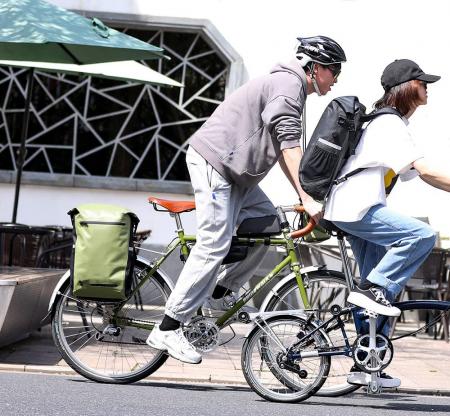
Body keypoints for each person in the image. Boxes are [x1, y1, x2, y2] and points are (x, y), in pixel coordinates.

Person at [146, 35, 347, 364]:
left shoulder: (292, 86)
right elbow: (290, 146)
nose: (336, 78)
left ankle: (218, 294)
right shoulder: (288, 84)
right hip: (217, 163)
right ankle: (168, 327)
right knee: (214, 242)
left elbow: (285, 151)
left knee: (267, 227)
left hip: (238, 174)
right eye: (334, 70)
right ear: (316, 67)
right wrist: (308, 199)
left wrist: (305, 194)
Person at [324, 58, 450, 388]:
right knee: (421, 236)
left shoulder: (390, 125)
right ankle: (370, 289)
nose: (427, 89)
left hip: (354, 208)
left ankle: (366, 362)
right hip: (357, 208)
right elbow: (427, 172)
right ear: (408, 89)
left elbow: (417, 175)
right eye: (423, 84)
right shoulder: (388, 125)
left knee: (382, 290)